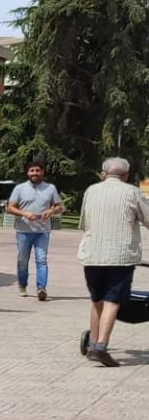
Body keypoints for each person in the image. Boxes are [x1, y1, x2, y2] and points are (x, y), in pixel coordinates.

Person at [77, 156, 149, 366]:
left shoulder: (91, 191)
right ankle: (101, 347)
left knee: (97, 300)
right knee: (112, 301)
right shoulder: (132, 192)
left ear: (103, 174)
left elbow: (84, 222)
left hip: (92, 255)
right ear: (126, 176)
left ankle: (92, 344)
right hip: (120, 256)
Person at [6, 160, 64, 299]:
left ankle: (41, 288)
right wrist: (24, 213)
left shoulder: (50, 188)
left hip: (42, 231)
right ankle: (22, 284)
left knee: (41, 260)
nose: (35, 173)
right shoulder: (20, 188)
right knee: (22, 261)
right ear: (28, 172)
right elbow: (10, 207)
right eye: (32, 171)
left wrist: (51, 211)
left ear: (42, 172)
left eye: (37, 170)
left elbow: (59, 206)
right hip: (23, 231)